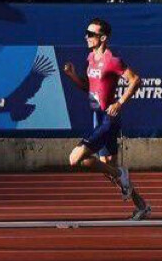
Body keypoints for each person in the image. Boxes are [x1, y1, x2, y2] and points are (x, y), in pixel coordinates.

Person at [63, 18, 152, 221]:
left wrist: (119, 102)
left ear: (103, 38)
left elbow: (135, 80)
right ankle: (142, 206)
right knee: (108, 168)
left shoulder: (113, 60)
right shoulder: (90, 58)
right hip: (97, 118)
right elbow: (88, 87)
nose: (86, 37)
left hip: (107, 120)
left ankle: (121, 174)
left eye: (91, 34)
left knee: (75, 159)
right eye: (86, 33)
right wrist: (72, 75)